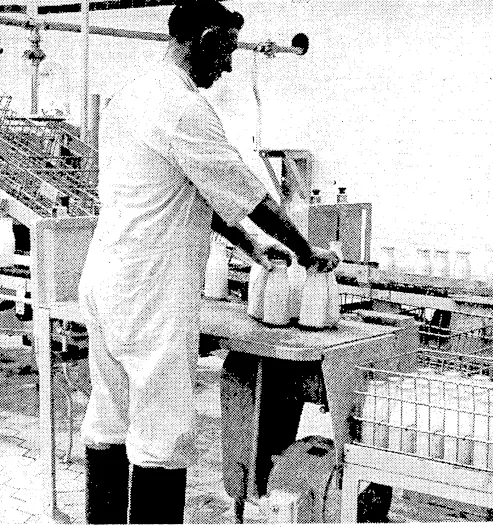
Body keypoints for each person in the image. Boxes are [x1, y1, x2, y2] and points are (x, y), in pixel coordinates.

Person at [77, 1, 338, 523]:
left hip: (108, 279)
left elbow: (184, 191)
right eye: (226, 51)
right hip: (153, 291)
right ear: (204, 40)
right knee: (163, 433)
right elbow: (253, 196)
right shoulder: (184, 108)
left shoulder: (131, 94)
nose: (228, 67)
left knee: (108, 417)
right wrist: (308, 251)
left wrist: (249, 245)